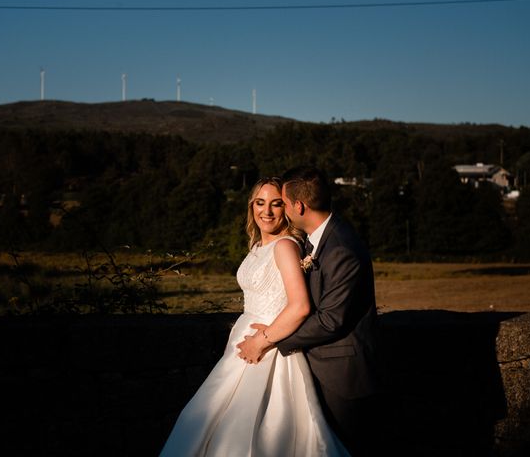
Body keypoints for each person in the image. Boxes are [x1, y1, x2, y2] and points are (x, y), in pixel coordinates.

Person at [160, 177, 350, 456]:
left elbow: (299, 306)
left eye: (276, 204)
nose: (267, 211)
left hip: (268, 348)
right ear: (251, 206)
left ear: (286, 209)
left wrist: (261, 341)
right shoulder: (257, 247)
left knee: (251, 428)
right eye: (260, 203)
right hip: (243, 342)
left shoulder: (285, 247)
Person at [237, 166, 380, 457]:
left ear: (298, 206)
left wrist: (269, 339)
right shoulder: (316, 240)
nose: (279, 211)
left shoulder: (340, 247)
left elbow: (329, 320)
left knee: (336, 448)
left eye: (282, 204)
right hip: (313, 360)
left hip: (341, 372)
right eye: (261, 203)